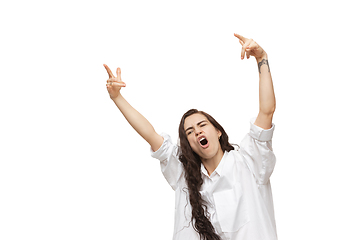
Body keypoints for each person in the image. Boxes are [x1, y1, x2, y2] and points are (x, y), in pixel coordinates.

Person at [104, 33, 277, 240]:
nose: (197, 132)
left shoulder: (249, 161)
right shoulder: (182, 172)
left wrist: (261, 58)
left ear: (218, 131)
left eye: (202, 125)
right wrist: (117, 98)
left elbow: (267, 111)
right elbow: (149, 134)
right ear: (189, 144)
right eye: (190, 132)